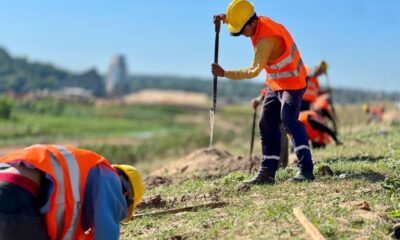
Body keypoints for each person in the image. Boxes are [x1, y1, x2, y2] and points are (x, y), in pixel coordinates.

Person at [212, 0, 315, 184]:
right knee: (266, 121)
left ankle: (306, 170)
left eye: (242, 30)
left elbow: (253, 71)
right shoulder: (255, 22)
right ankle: (267, 173)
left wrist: (224, 73)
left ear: (252, 23)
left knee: (289, 119)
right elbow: (242, 16)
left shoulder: (265, 40)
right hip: (275, 83)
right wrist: (227, 19)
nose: (243, 35)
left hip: (293, 81)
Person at [0, 144, 144, 240]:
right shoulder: (109, 177)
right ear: (125, 195)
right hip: (16, 196)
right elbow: (106, 234)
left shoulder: (84, 174)